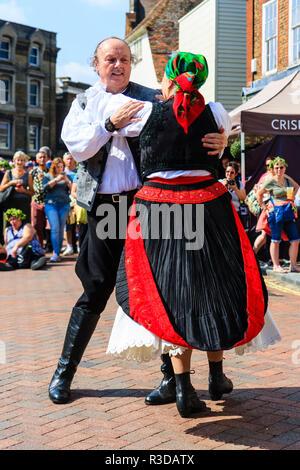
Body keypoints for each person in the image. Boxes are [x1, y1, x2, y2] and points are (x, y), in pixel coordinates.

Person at [80, 51, 268, 418]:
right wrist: (224, 144)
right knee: (215, 286)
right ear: (201, 79)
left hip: (160, 212)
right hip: (209, 209)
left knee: (174, 290)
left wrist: (109, 121)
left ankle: (183, 389)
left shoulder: (146, 111)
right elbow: (219, 143)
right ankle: (217, 376)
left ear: (168, 79)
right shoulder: (216, 111)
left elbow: (113, 132)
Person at [48, 37, 227, 405]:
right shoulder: (84, 102)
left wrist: (221, 141)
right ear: (95, 64)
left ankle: (171, 380)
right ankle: (64, 372)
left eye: (125, 59)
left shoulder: (153, 97)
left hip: (148, 204)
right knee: (95, 289)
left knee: (162, 286)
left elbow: (189, 129)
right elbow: (78, 146)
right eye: (110, 59)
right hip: (107, 206)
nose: (118, 65)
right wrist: (109, 124)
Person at [256, 156, 300, 273]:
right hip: (275, 212)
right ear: (273, 169)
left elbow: (296, 186)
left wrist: (293, 196)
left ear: (285, 168)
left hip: (287, 211)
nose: (279, 170)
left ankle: (293, 265)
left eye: (281, 167)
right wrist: (264, 207)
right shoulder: (270, 180)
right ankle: (276, 266)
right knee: (275, 240)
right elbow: (258, 194)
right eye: (277, 168)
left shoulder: (286, 179)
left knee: (295, 239)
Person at [42, 157, 72, 263]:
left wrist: (67, 181)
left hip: (64, 205)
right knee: (54, 228)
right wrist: (56, 180)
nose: (60, 169)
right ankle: (55, 253)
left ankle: (58, 252)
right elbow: (44, 188)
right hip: (51, 205)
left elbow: (72, 189)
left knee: (60, 229)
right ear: (54, 167)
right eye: (58, 167)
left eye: (61, 167)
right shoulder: (48, 176)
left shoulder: (66, 176)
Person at [0, 151, 34, 224]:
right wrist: (11, 183)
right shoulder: (8, 173)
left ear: (25, 162)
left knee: (24, 225)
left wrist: (23, 190)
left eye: (22, 160)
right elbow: (1, 188)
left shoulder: (28, 175)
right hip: (10, 203)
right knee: (9, 226)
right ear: (14, 161)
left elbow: (32, 192)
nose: (20, 162)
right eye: (18, 160)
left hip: (23, 204)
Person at [253, 156, 274, 256]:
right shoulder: (265, 177)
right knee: (264, 234)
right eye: (267, 165)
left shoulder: (278, 175)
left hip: (274, 207)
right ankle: (253, 254)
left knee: (272, 234)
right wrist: (263, 207)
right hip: (266, 207)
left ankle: (273, 260)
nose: (269, 167)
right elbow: (258, 193)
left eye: (271, 164)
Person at [30, 150, 49, 248]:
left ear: (47, 158)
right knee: (36, 226)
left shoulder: (50, 171)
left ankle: (50, 247)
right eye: (40, 157)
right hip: (36, 201)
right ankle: (40, 248)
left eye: (44, 157)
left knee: (50, 227)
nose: (42, 159)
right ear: (37, 160)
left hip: (49, 202)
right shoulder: (33, 171)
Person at [62, 152, 77, 256]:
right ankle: (69, 246)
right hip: (66, 202)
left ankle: (79, 245)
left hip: (77, 201)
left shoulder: (78, 172)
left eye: (71, 159)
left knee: (79, 225)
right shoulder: (61, 173)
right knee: (68, 226)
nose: (69, 161)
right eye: (67, 159)